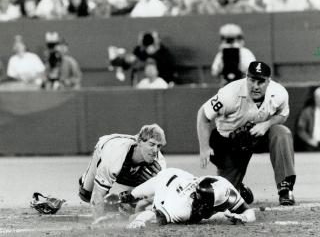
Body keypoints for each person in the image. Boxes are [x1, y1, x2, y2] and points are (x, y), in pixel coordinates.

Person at [197, 61, 296, 206]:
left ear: (269, 81)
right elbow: (203, 115)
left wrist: (267, 124)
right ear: (246, 77)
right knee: (225, 198)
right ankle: (239, 188)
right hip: (229, 142)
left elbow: (283, 115)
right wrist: (204, 147)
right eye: (252, 80)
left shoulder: (279, 93)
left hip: (258, 135)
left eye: (261, 81)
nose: (255, 86)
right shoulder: (229, 94)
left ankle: (285, 188)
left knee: (281, 133)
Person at [106, 168, 255, 228]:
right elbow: (154, 216)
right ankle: (112, 209)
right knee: (132, 199)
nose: (223, 207)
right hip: (165, 183)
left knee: (245, 199)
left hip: (182, 178)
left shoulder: (224, 188)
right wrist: (139, 220)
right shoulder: (180, 208)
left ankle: (129, 202)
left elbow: (248, 211)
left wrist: (244, 217)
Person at [78, 124, 167, 218]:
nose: (155, 150)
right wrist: (99, 224)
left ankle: (122, 203)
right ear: (140, 142)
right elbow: (98, 195)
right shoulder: (113, 155)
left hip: (124, 162)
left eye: (159, 146)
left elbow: (161, 198)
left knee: (137, 199)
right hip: (106, 146)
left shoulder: (159, 164)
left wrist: (139, 197)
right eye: (152, 144)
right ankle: (88, 179)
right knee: (86, 194)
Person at [296, 86, 320, 151]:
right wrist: (309, 140)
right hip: (313, 145)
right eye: (318, 97)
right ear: (315, 98)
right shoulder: (307, 112)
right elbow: (300, 129)